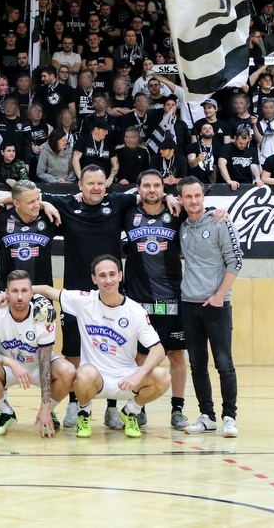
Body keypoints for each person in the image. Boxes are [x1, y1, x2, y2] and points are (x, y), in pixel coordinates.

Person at [32, 256, 171, 438]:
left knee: (163, 377)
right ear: (94, 279)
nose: (108, 280)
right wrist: (11, 292)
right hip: (94, 379)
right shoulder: (84, 301)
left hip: (126, 378)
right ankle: (84, 412)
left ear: (120, 276)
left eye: (112, 274)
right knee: (82, 373)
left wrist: (138, 374)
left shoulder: (136, 311)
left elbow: (158, 349)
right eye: (102, 275)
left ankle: (131, 411)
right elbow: (48, 291)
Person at [123, 171, 192, 430]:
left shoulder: (176, 212)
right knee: (141, 356)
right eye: (147, 186)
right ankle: (139, 406)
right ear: (138, 188)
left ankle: (177, 409)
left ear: (163, 188)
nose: (151, 190)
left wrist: (220, 214)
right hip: (140, 300)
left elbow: (199, 208)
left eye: (157, 186)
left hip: (173, 297)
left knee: (176, 354)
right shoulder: (128, 213)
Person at [177, 177, 243, 438]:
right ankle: (207, 416)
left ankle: (229, 417)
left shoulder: (220, 222)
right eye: (187, 197)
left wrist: (219, 296)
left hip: (217, 305)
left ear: (203, 196)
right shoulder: (182, 226)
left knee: (224, 363)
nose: (193, 201)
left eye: (197, 196)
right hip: (189, 304)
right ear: (181, 199)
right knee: (197, 363)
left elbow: (235, 262)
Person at [0, 271, 75, 437]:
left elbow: (45, 361)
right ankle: (6, 412)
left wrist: (45, 407)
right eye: (14, 291)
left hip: (38, 365)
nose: (20, 297)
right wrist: (12, 364)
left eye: (24, 291)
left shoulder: (43, 311)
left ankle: (49, 412)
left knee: (68, 371)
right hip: (8, 367)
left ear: (31, 292)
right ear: (6, 293)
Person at [0, 181, 58, 290]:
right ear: (16, 203)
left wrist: (46, 204)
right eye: (31, 202)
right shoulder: (1, 219)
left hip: (41, 292)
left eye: (38, 199)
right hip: (8, 291)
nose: (37, 205)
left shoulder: (50, 218)